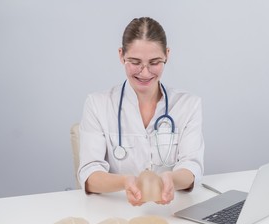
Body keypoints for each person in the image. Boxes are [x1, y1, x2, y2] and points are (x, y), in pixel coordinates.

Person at [78, 17, 204, 206]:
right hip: (116, 211)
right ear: (121, 55)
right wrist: (125, 182)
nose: (145, 73)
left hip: (173, 211)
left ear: (167, 55)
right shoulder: (97, 104)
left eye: (154, 62)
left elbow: (191, 167)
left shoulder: (188, 105)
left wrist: (170, 179)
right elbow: (89, 173)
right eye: (135, 62)